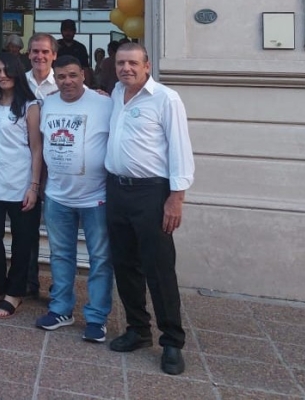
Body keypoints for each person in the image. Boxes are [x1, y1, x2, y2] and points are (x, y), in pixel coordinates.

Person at [104, 43, 195, 375]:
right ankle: (138, 330)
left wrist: (176, 198)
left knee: (159, 268)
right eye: (121, 63)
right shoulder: (116, 94)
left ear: (147, 66)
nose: (126, 68)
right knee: (125, 264)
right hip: (117, 190)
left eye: (132, 63)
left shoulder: (166, 99)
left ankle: (172, 341)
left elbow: (180, 149)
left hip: (152, 193)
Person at [35, 56, 114, 342]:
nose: (67, 81)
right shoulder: (48, 104)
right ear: (54, 78)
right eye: (61, 77)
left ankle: (96, 317)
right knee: (60, 255)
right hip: (57, 196)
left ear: (83, 74)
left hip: (96, 198)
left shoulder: (105, 103)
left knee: (100, 259)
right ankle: (61, 309)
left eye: (72, 75)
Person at [0, 53, 43, 318]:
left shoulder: (30, 105)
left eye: (6, 70)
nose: (1, 75)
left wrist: (34, 186)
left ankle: (15, 292)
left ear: (17, 72)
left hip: (20, 182)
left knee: (22, 241)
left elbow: (36, 148)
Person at [23, 32, 59, 297]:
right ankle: (28, 281)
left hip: (58, 164)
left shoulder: (65, 82)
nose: (40, 56)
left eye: (45, 51)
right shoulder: (18, 82)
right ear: (28, 54)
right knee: (27, 226)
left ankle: (60, 285)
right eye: (35, 51)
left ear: (54, 55)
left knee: (59, 230)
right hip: (26, 163)